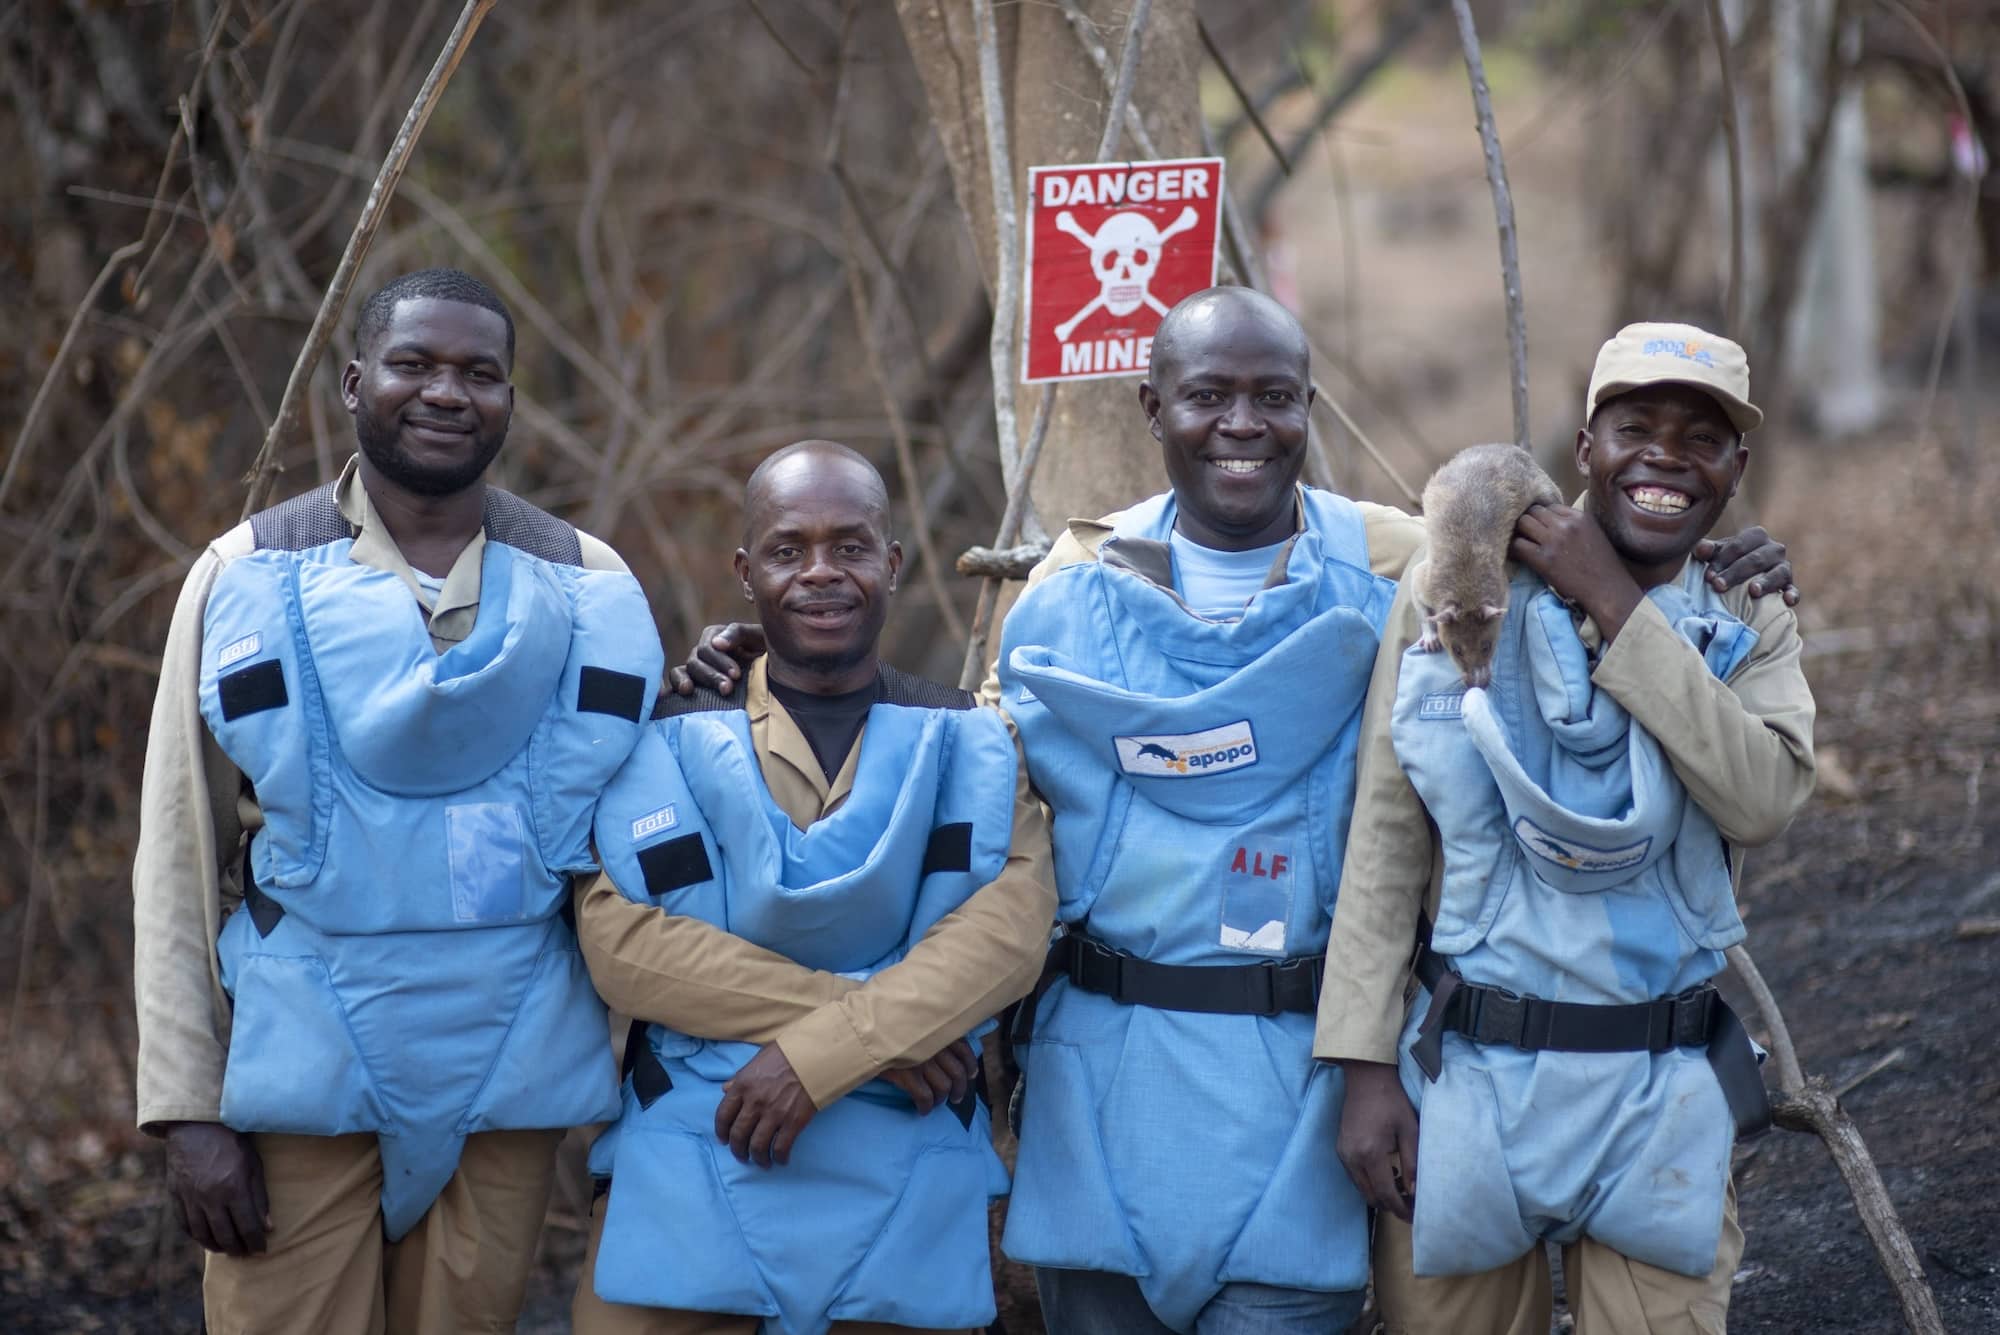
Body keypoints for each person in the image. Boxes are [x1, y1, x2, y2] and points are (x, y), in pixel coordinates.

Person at [675, 290, 1794, 1335]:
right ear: (1153, 407)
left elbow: (1524, 609)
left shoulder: (1391, 565)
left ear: (1308, 408)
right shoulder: (1070, 587)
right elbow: (969, 790)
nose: (1239, 425)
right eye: (1206, 395)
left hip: (1302, 1070)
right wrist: (768, 677)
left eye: (1271, 397)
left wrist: (1704, 569)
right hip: (1098, 1067)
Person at [132, 267, 664, 1333]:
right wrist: (187, 1108)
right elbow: (177, 846)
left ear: (511, 399)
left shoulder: (586, 582)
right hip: (300, 1075)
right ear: (352, 381)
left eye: (480, 373)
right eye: (413, 363)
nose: (446, 393)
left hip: (509, 1070)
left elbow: (632, 846)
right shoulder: (244, 574)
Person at [1317, 322, 1817, 1335]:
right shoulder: (1465, 588)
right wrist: (1364, 1066)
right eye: (1634, 426)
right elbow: (1386, 831)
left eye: (1700, 437)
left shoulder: (1743, 612)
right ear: (1583, 444)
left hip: (1658, 1088)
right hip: (1469, 1078)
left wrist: (1615, 600)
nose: (1665, 456)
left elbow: (1759, 797)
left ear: (1734, 468)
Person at [571, 440, 1057, 1335]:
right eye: (790, 550)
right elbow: (626, 946)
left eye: (851, 545)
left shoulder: (970, 743)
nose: (822, 572)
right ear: (746, 572)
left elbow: (1008, 939)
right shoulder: (664, 736)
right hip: (687, 1173)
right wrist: (876, 1029)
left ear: (894, 564)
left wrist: (812, 1059)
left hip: (907, 1189)